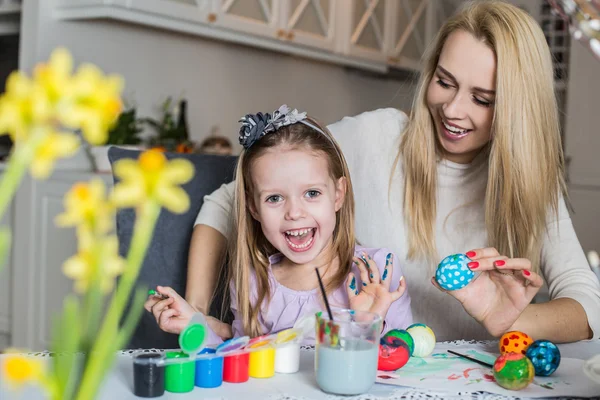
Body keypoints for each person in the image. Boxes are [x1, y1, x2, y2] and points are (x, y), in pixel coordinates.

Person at [186, 0, 600, 343]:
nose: (453, 110)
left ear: (517, 109)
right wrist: (197, 318)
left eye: (483, 99)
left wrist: (504, 319)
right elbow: (226, 200)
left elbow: (588, 306)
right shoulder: (377, 135)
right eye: (444, 81)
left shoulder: (528, 185)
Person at [145, 106, 412, 343]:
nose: (294, 212)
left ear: (338, 195)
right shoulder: (253, 282)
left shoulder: (378, 271)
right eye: (274, 198)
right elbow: (241, 355)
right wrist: (194, 323)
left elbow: (410, 356)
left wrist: (367, 324)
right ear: (253, 208)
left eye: (312, 193)